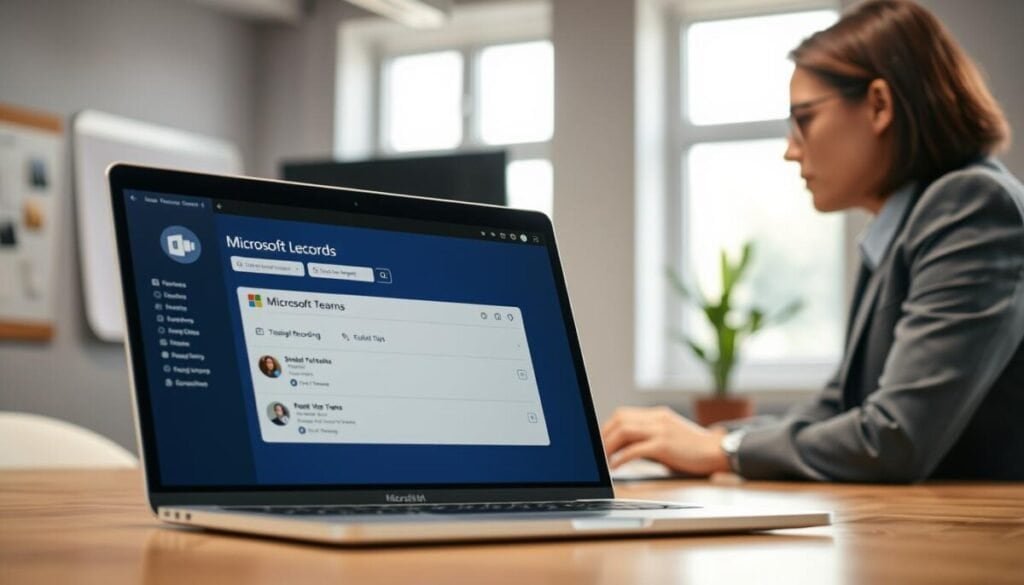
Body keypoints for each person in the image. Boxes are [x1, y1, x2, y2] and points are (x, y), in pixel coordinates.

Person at [602, 0, 1024, 482]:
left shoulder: (971, 203)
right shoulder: (901, 225)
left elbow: (894, 436)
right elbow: (841, 405)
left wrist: (722, 448)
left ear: (880, 105)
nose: (790, 148)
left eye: (804, 118)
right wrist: (703, 441)